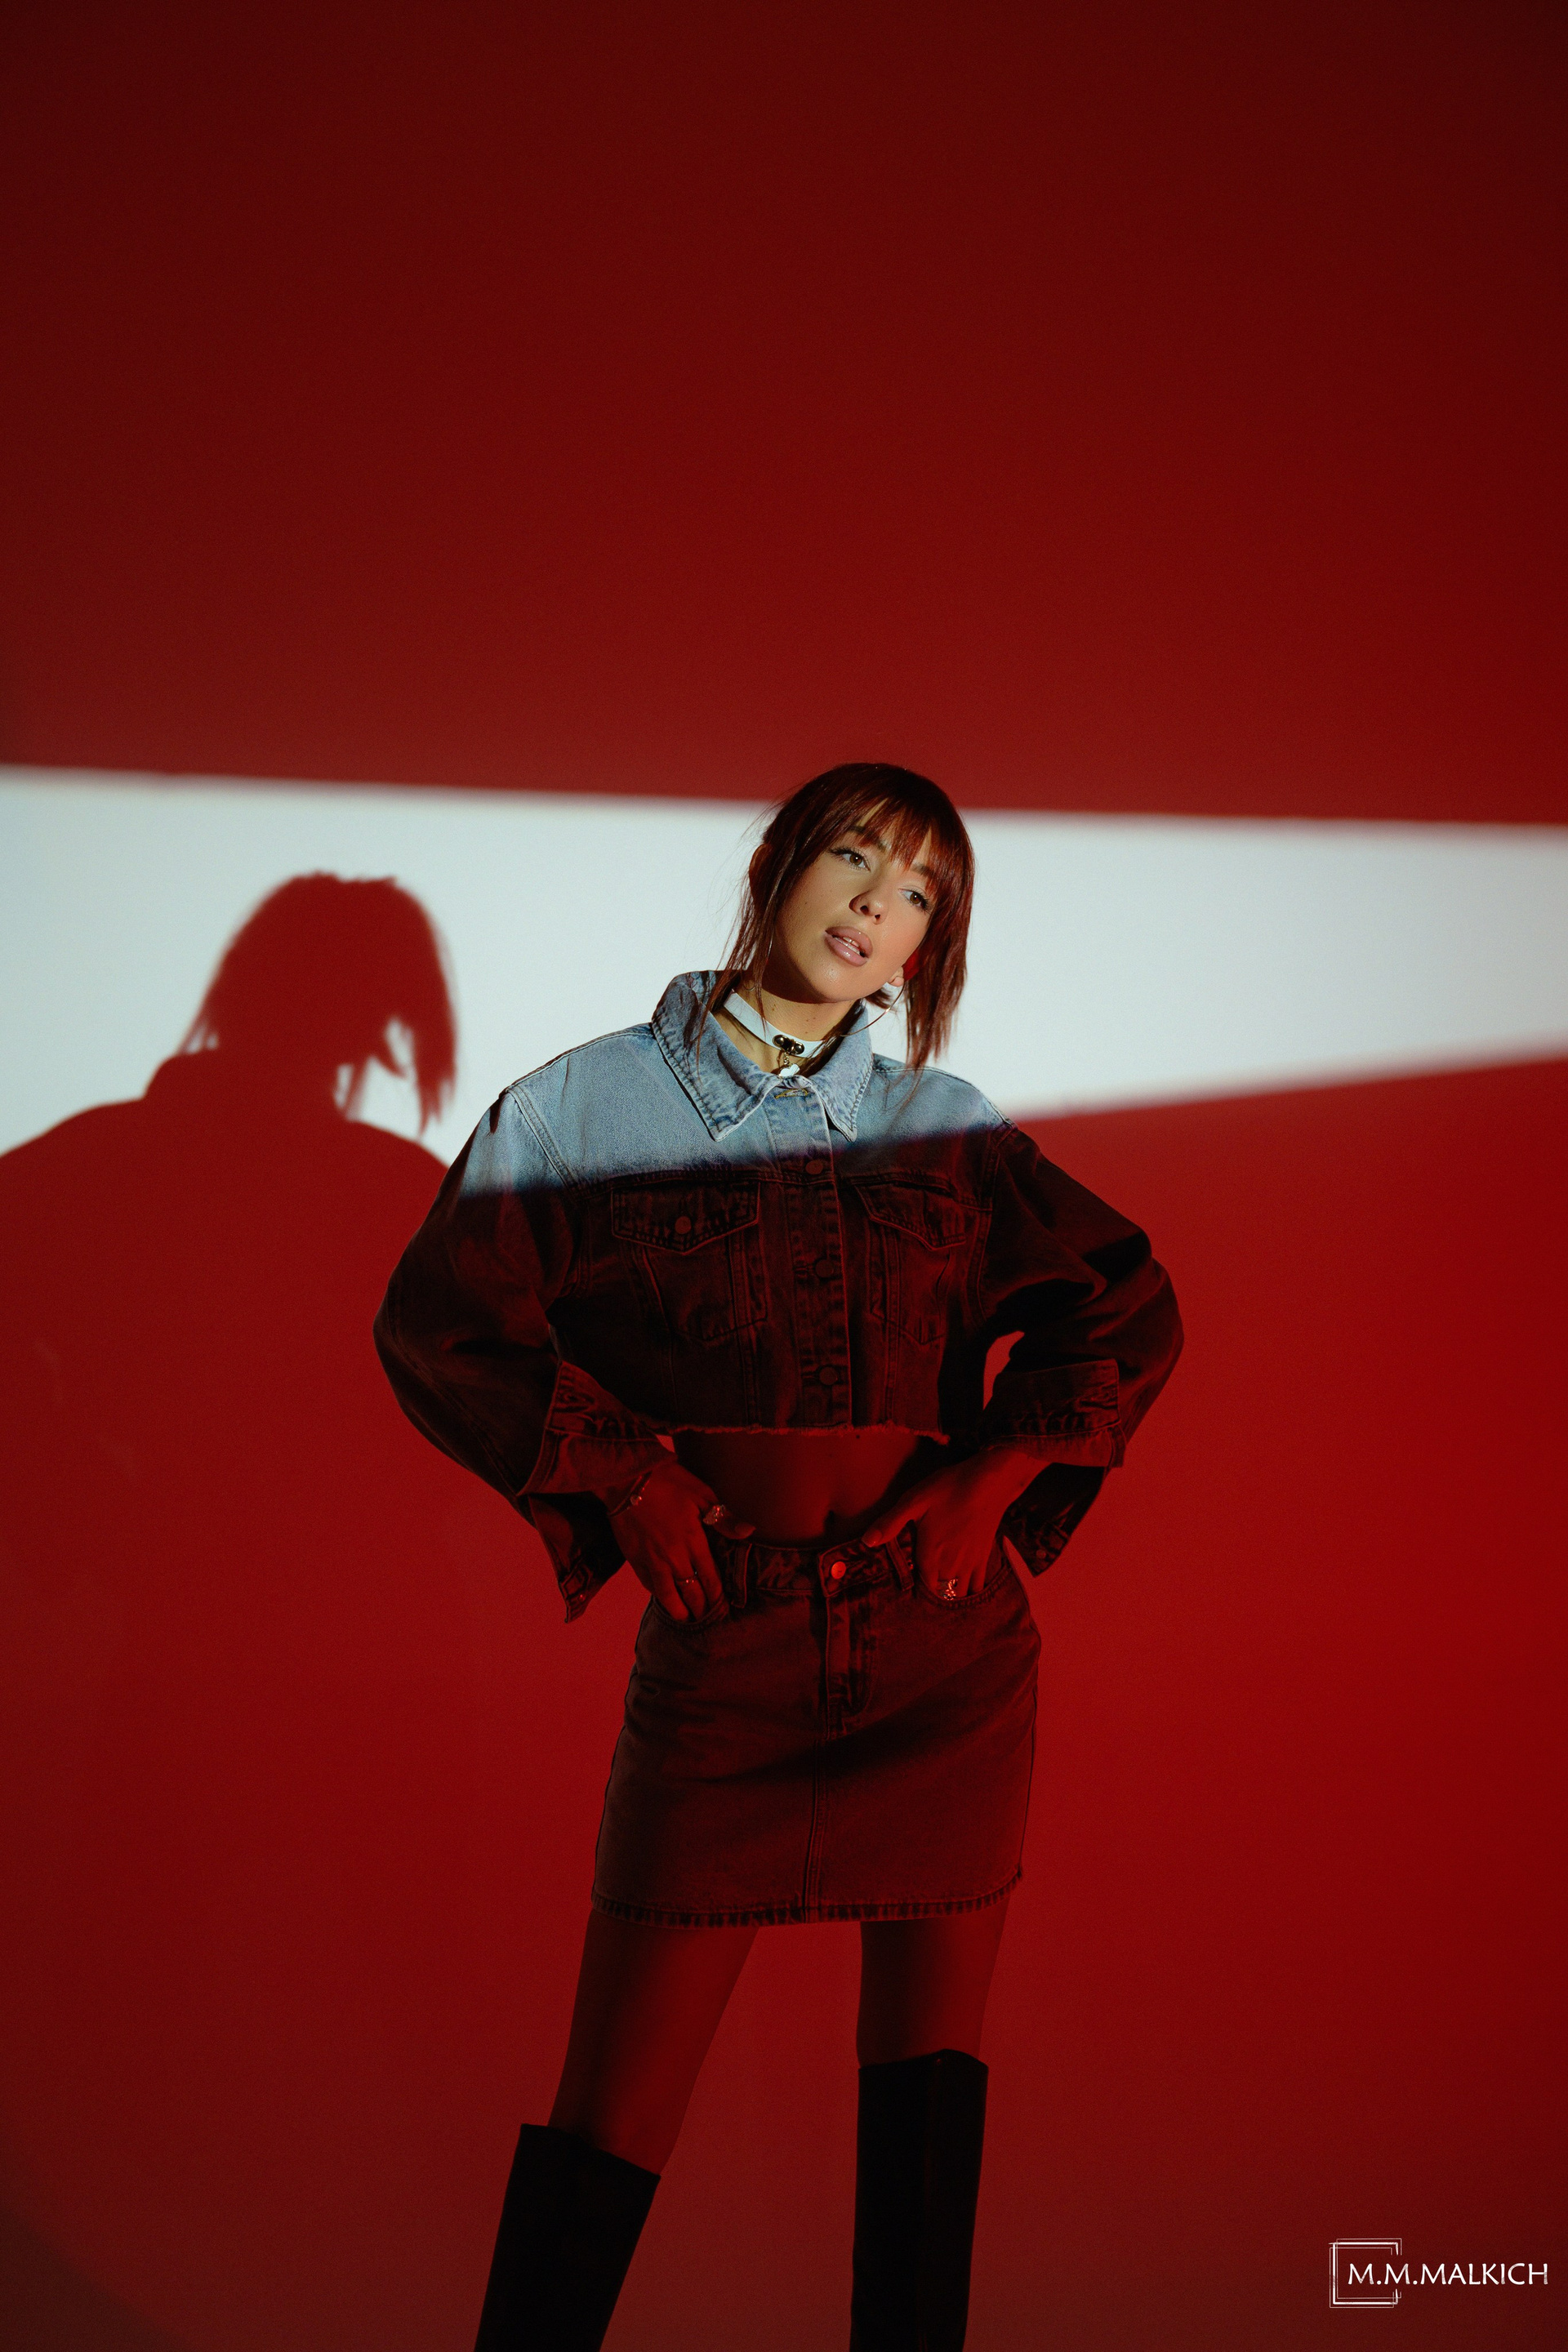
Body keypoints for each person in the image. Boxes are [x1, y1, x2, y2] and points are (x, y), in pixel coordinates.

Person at [374, 764, 1183, 2350]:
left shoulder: (945, 1129)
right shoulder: (581, 1110)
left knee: (927, 2107)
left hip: (945, 1655)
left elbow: (1132, 1304)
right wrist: (630, 1482)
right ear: (778, 864)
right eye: (856, 860)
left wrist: (993, 1478)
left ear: (930, 943)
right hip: (728, 1654)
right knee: (609, 2115)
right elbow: (437, 1324)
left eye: (918, 895)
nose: (876, 908)